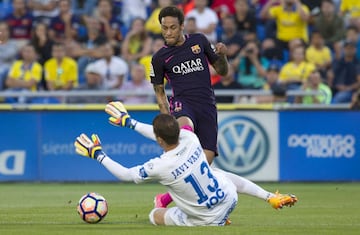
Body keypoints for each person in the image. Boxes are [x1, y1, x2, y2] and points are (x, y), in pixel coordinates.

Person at [74, 101, 298, 226]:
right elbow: (161, 134)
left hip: (207, 220)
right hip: (230, 199)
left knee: (155, 215)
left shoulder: (159, 166)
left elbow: (124, 174)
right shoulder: (191, 138)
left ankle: (216, 219)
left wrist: (98, 154)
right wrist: (129, 122)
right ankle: (270, 197)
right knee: (217, 173)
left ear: (160, 140)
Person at [151, 6, 228, 165]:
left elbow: (222, 71)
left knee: (204, 164)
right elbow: (159, 92)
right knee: (185, 129)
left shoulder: (199, 40)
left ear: (181, 26)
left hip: (207, 105)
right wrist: (166, 119)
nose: (168, 32)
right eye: (164, 28)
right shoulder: (159, 58)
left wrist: (223, 56)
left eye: (172, 28)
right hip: (182, 103)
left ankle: (178, 184)